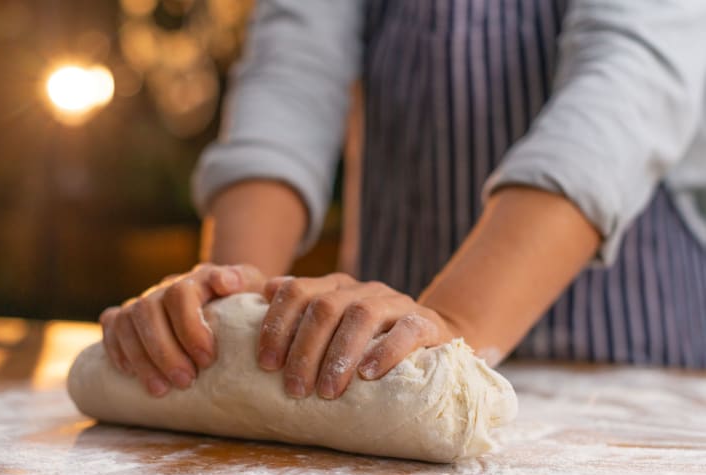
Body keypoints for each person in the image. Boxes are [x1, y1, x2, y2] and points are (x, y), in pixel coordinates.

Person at [101, 0, 706, 399]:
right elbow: (292, 73)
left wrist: (458, 324)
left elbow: (627, 85)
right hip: (383, 365)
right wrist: (229, 309)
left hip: (628, 364)